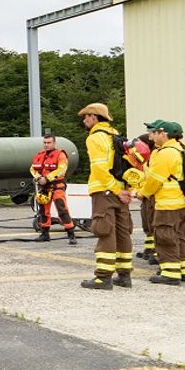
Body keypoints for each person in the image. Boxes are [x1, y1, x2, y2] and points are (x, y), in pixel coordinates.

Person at [78, 103, 133, 290]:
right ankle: (124, 275)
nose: (84, 120)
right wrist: (125, 190)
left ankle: (103, 277)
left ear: (94, 117)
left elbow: (100, 168)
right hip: (120, 189)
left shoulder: (95, 138)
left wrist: (115, 191)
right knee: (122, 232)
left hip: (105, 190)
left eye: (86, 116)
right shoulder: (116, 136)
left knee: (105, 230)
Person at [136, 120, 185, 285]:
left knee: (164, 235)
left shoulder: (165, 153)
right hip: (179, 202)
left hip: (167, 203)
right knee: (178, 235)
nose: (151, 136)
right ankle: (182, 269)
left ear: (163, 133)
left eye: (154, 132)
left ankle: (170, 273)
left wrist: (142, 193)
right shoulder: (179, 149)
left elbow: (155, 180)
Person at [29, 134, 76, 245]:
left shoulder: (60, 155)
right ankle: (45, 234)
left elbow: (62, 169)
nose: (46, 145)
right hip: (44, 187)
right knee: (43, 211)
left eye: (49, 142)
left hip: (57, 187)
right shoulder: (40, 155)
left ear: (54, 143)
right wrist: (39, 178)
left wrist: (47, 178)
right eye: (45, 143)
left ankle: (71, 234)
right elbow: (32, 168)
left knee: (62, 210)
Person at [132, 132, 159, 265]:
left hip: (153, 195)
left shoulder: (155, 157)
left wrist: (144, 192)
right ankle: (149, 249)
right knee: (147, 223)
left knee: (154, 223)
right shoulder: (146, 158)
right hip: (146, 195)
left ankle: (155, 250)